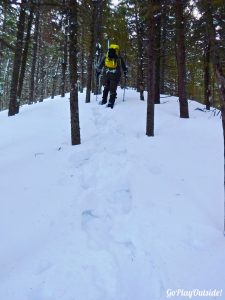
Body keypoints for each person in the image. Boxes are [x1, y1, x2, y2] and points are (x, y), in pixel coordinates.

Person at [96, 44, 127, 109]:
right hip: (115, 74)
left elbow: (100, 64)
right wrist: (125, 72)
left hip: (106, 73)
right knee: (113, 89)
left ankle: (104, 100)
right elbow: (124, 66)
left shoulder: (106, 55)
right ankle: (111, 103)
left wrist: (98, 71)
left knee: (106, 87)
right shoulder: (119, 57)